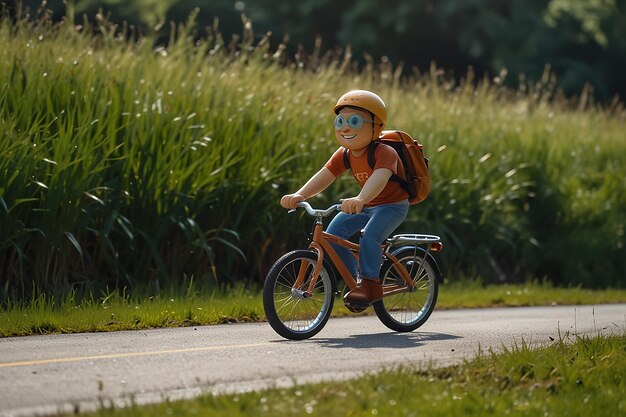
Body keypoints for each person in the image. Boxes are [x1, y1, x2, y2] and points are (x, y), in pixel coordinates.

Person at [280, 90, 409, 307]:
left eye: (355, 121)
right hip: (366, 205)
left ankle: (370, 284)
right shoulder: (345, 153)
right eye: (340, 121)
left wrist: (360, 198)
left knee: (369, 237)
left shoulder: (385, 152)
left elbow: (379, 177)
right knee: (333, 235)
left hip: (392, 206)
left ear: (376, 126)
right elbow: (326, 173)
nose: (345, 128)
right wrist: (300, 194)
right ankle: (357, 281)